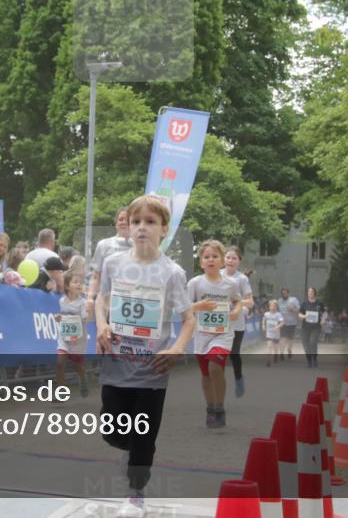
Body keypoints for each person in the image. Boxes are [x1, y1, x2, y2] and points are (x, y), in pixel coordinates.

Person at [95, 195, 196, 518]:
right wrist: (101, 325)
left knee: (143, 435)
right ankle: (130, 454)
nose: (141, 228)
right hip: (116, 362)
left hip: (152, 368)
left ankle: (136, 492)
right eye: (136, 222)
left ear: (164, 229)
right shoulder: (114, 263)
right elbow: (101, 299)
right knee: (112, 431)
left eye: (150, 222)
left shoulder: (172, 272)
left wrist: (178, 347)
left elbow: (189, 318)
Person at [188, 240, 242, 428]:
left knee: (215, 368)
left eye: (214, 256)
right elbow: (184, 308)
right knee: (205, 375)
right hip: (202, 335)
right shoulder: (195, 283)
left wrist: (236, 311)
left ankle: (220, 407)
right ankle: (210, 408)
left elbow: (237, 301)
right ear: (201, 262)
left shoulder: (231, 283)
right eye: (206, 257)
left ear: (221, 261)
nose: (210, 260)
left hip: (223, 334)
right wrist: (198, 306)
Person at [87, 207, 132, 317]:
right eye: (120, 219)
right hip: (108, 301)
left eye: (127, 219)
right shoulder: (104, 245)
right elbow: (96, 275)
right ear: (116, 223)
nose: (123, 222)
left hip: (132, 301)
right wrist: (90, 297)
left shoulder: (141, 246)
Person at [223, 246, 255, 398]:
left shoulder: (242, 279)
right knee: (219, 355)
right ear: (224, 259)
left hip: (236, 324)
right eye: (228, 257)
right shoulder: (216, 275)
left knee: (234, 355)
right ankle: (218, 384)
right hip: (219, 323)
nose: (230, 260)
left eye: (234, 258)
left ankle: (239, 379)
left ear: (239, 262)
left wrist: (236, 302)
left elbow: (250, 302)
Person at [55, 269, 91, 398]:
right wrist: (59, 318)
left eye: (80, 283)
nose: (79, 285)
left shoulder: (83, 303)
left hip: (79, 338)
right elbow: (63, 317)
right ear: (66, 286)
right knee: (60, 362)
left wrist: (72, 319)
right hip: (64, 337)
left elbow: (84, 319)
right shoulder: (62, 301)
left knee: (78, 366)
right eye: (75, 282)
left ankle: (83, 380)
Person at [299, 287, 326, 368]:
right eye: (309, 291)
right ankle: (309, 360)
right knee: (306, 344)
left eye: (312, 291)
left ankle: (314, 358)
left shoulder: (319, 303)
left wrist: (323, 320)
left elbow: (324, 313)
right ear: (307, 293)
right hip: (305, 327)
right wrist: (304, 316)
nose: (310, 293)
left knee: (313, 342)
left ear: (315, 293)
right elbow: (299, 314)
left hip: (316, 326)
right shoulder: (304, 303)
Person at [277, 287, 300, 360]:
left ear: (288, 293)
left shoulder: (293, 300)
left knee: (290, 339)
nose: (284, 294)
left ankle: (289, 350)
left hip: (292, 323)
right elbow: (277, 311)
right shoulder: (279, 301)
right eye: (282, 293)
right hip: (282, 323)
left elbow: (299, 310)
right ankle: (281, 353)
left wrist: (293, 309)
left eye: (285, 293)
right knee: (282, 338)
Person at [262, 300, 284, 366]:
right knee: (269, 346)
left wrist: (278, 326)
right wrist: (263, 325)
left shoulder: (278, 314)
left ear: (276, 307)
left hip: (276, 333)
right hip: (269, 333)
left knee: (275, 347)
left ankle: (275, 355)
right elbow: (263, 320)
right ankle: (268, 360)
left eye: (274, 306)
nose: (272, 307)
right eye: (271, 306)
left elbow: (282, 322)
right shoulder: (266, 314)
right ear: (269, 307)